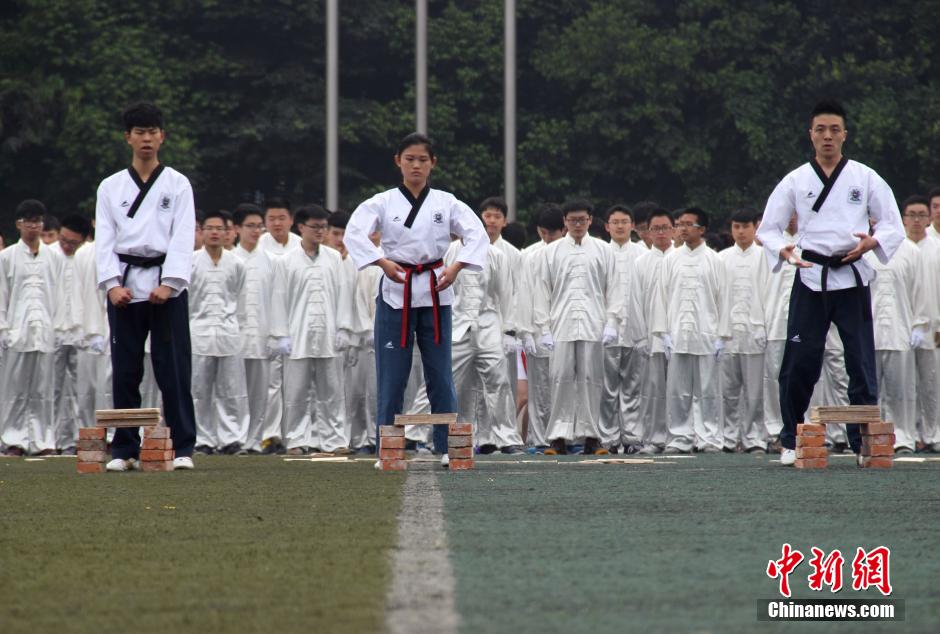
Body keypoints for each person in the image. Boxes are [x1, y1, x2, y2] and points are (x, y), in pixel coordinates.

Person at [756, 99, 905, 466]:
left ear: (844, 135)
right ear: (811, 135)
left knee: (860, 361)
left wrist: (872, 243)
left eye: (834, 130)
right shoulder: (796, 180)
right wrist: (784, 251)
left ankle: (862, 442)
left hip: (852, 276)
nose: (827, 136)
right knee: (799, 360)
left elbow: (891, 223)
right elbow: (768, 229)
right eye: (820, 130)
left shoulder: (865, 177)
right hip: (810, 274)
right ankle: (791, 439)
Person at [344, 133, 488, 468]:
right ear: (398, 161)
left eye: (423, 160)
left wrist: (456, 266)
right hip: (397, 290)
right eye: (409, 159)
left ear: (433, 163)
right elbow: (354, 232)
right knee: (392, 376)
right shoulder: (382, 202)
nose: (416, 166)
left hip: (437, 291)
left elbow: (476, 233)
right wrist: (381, 262)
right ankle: (388, 449)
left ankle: (445, 446)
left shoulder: (446, 202)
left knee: (440, 374)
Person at [95, 102, 197, 472]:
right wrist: (111, 284)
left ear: (162, 136)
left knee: (173, 369)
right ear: (128, 138)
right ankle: (124, 448)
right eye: (140, 132)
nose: (147, 139)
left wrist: (170, 283)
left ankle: (183, 446)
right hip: (126, 285)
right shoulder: (111, 186)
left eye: (153, 131)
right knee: (125, 370)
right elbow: (105, 239)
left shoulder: (177, 183)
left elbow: (183, 236)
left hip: (166, 286)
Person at [534, 199, 620, 456]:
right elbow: (542, 291)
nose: (578, 224)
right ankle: (558, 437)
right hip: (561, 323)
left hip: (593, 323)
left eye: (582, 220)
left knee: (591, 379)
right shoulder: (551, 252)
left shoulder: (604, 250)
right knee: (560, 378)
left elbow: (614, 288)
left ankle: (591, 437)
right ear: (565, 222)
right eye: (572, 220)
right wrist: (543, 327)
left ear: (590, 220)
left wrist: (612, 322)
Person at [271, 205, 355, 455]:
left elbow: (343, 294)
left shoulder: (334, 258)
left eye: (323, 227)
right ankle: (296, 439)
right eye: (315, 226)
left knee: (333, 390)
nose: (320, 231)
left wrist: (343, 328)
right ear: (301, 227)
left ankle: (335, 440)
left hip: (329, 333)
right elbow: (278, 298)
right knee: (296, 392)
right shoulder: (286, 261)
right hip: (297, 334)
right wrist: (281, 334)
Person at [653, 207, 725, 453]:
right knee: (678, 390)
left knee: (708, 390)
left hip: (707, 334)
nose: (682, 229)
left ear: (702, 229)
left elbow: (724, 299)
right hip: (678, 334)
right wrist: (663, 333)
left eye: (688, 224)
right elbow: (661, 297)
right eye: (680, 224)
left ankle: (709, 437)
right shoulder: (671, 259)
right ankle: (679, 437)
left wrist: (722, 336)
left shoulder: (715, 260)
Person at [0, 200, 62, 456]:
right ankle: (13, 440)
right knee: (14, 389)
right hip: (17, 331)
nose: (34, 226)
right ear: (19, 224)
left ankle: (42, 441)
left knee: (43, 390)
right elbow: (2, 294)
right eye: (29, 222)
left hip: (45, 331)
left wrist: (57, 328)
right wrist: (4, 329)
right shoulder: (7, 257)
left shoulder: (53, 257)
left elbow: (58, 295)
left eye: (37, 221)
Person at [189, 210, 248, 454]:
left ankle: (231, 438)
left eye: (219, 228)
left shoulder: (236, 263)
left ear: (227, 232)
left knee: (231, 390)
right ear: (201, 232)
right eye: (209, 228)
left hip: (228, 333)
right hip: (198, 333)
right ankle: (202, 439)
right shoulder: (191, 262)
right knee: (198, 391)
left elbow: (241, 299)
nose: (214, 233)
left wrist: (239, 329)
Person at [718, 209, 770, 453]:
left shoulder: (765, 257)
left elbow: (768, 295)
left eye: (745, 227)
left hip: (754, 333)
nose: (740, 232)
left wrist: (762, 326)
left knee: (754, 391)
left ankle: (754, 438)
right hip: (728, 333)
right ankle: (728, 437)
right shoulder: (721, 259)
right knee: (728, 390)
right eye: (736, 227)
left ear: (754, 228)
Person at [627, 208, 675, 454]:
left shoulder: (680, 258)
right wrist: (640, 338)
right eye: (655, 228)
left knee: (681, 390)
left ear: (673, 229)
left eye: (665, 228)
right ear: (648, 231)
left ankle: (681, 436)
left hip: (679, 338)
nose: (661, 233)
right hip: (651, 338)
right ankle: (654, 438)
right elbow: (635, 302)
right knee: (652, 390)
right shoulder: (641, 263)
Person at [600, 204, 647, 453]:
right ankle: (608, 437)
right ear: (607, 226)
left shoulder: (642, 253)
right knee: (606, 387)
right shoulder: (601, 252)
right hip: (606, 330)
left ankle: (632, 436)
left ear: (632, 225)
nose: (619, 226)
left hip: (634, 329)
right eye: (615, 222)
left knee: (632, 386)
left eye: (624, 222)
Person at [518, 204, 565, 451]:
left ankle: (565, 436)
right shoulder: (530, 256)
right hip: (537, 331)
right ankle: (539, 438)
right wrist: (525, 332)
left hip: (565, 328)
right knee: (538, 389)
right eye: (543, 233)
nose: (547, 238)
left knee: (565, 386)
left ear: (563, 230)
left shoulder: (569, 254)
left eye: (552, 234)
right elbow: (524, 294)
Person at [231, 203, 276, 454]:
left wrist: (276, 334)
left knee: (259, 393)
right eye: (250, 226)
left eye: (259, 226)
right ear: (237, 228)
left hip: (261, 335)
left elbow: (277, 300)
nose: (255, 231)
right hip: (233, 337)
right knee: (232, 392)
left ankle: (254, 441)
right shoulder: (229, 259)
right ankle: (233, 438)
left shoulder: (271, 261)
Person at [258, 197, 300, 454]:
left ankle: (292, 434)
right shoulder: (259, 248)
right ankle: (269, 434)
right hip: (267, 325)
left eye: (281, 218)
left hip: (297, 323)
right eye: (271, 219)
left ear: (291, 220)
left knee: (295, 385)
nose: (277, 223)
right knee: (271, 385)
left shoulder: (299, 246)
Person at [900, 195, 940, 452]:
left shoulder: (936, 248)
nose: (916, 220)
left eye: (921, 215)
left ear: (928, 218)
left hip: (932, 327)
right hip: (903, 326)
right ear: (904, 219)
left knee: (931, 383)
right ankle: (909, 434)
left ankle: (932, 433)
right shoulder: (898, 248)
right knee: (905, 384)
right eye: (911, 215)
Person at [51, 214, 93, 453]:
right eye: (63, 240)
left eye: (73, 243)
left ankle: (81, 438)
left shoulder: (89, 256)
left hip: (81, 332)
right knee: (52, 389)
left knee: (82, 390)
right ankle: (52, 439)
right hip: (54, 331)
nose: (67, 246)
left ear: (84, 240)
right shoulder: (49, 255)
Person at [762, 212, 799, 446]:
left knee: (804, 376)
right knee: (774, 378)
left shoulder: (810, 242)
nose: (792, 217)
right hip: (775, 322)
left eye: (796, 212)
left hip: (803, 324)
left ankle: (805, 428)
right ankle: (776, 430)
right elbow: (759, 287)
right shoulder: (770, 246)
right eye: (788, 212)